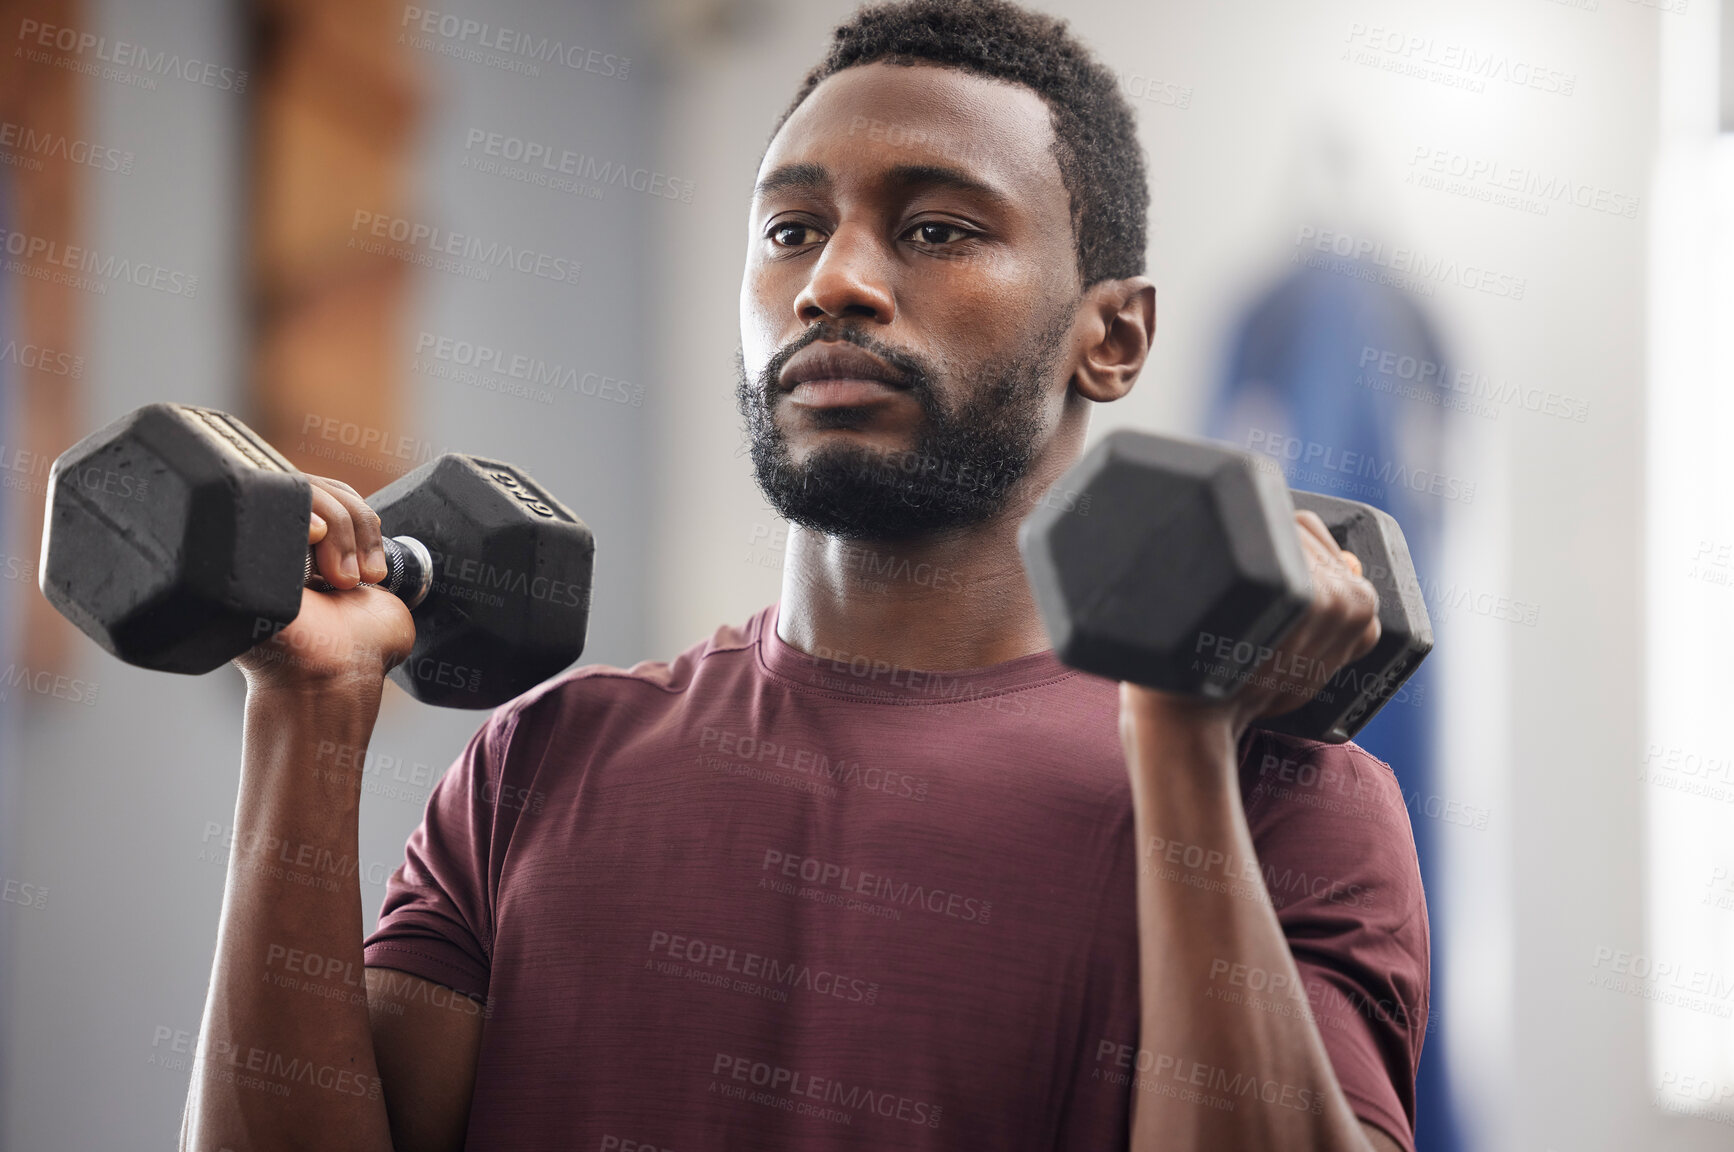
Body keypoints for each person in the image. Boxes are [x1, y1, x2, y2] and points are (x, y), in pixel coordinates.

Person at [180, 2, 1427, 1149]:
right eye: (791, 229)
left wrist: (1181, 744)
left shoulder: (1285, 797)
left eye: (937, 229)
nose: (832, 282)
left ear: (1113, 338)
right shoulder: (537, 765)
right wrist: (305, 717)